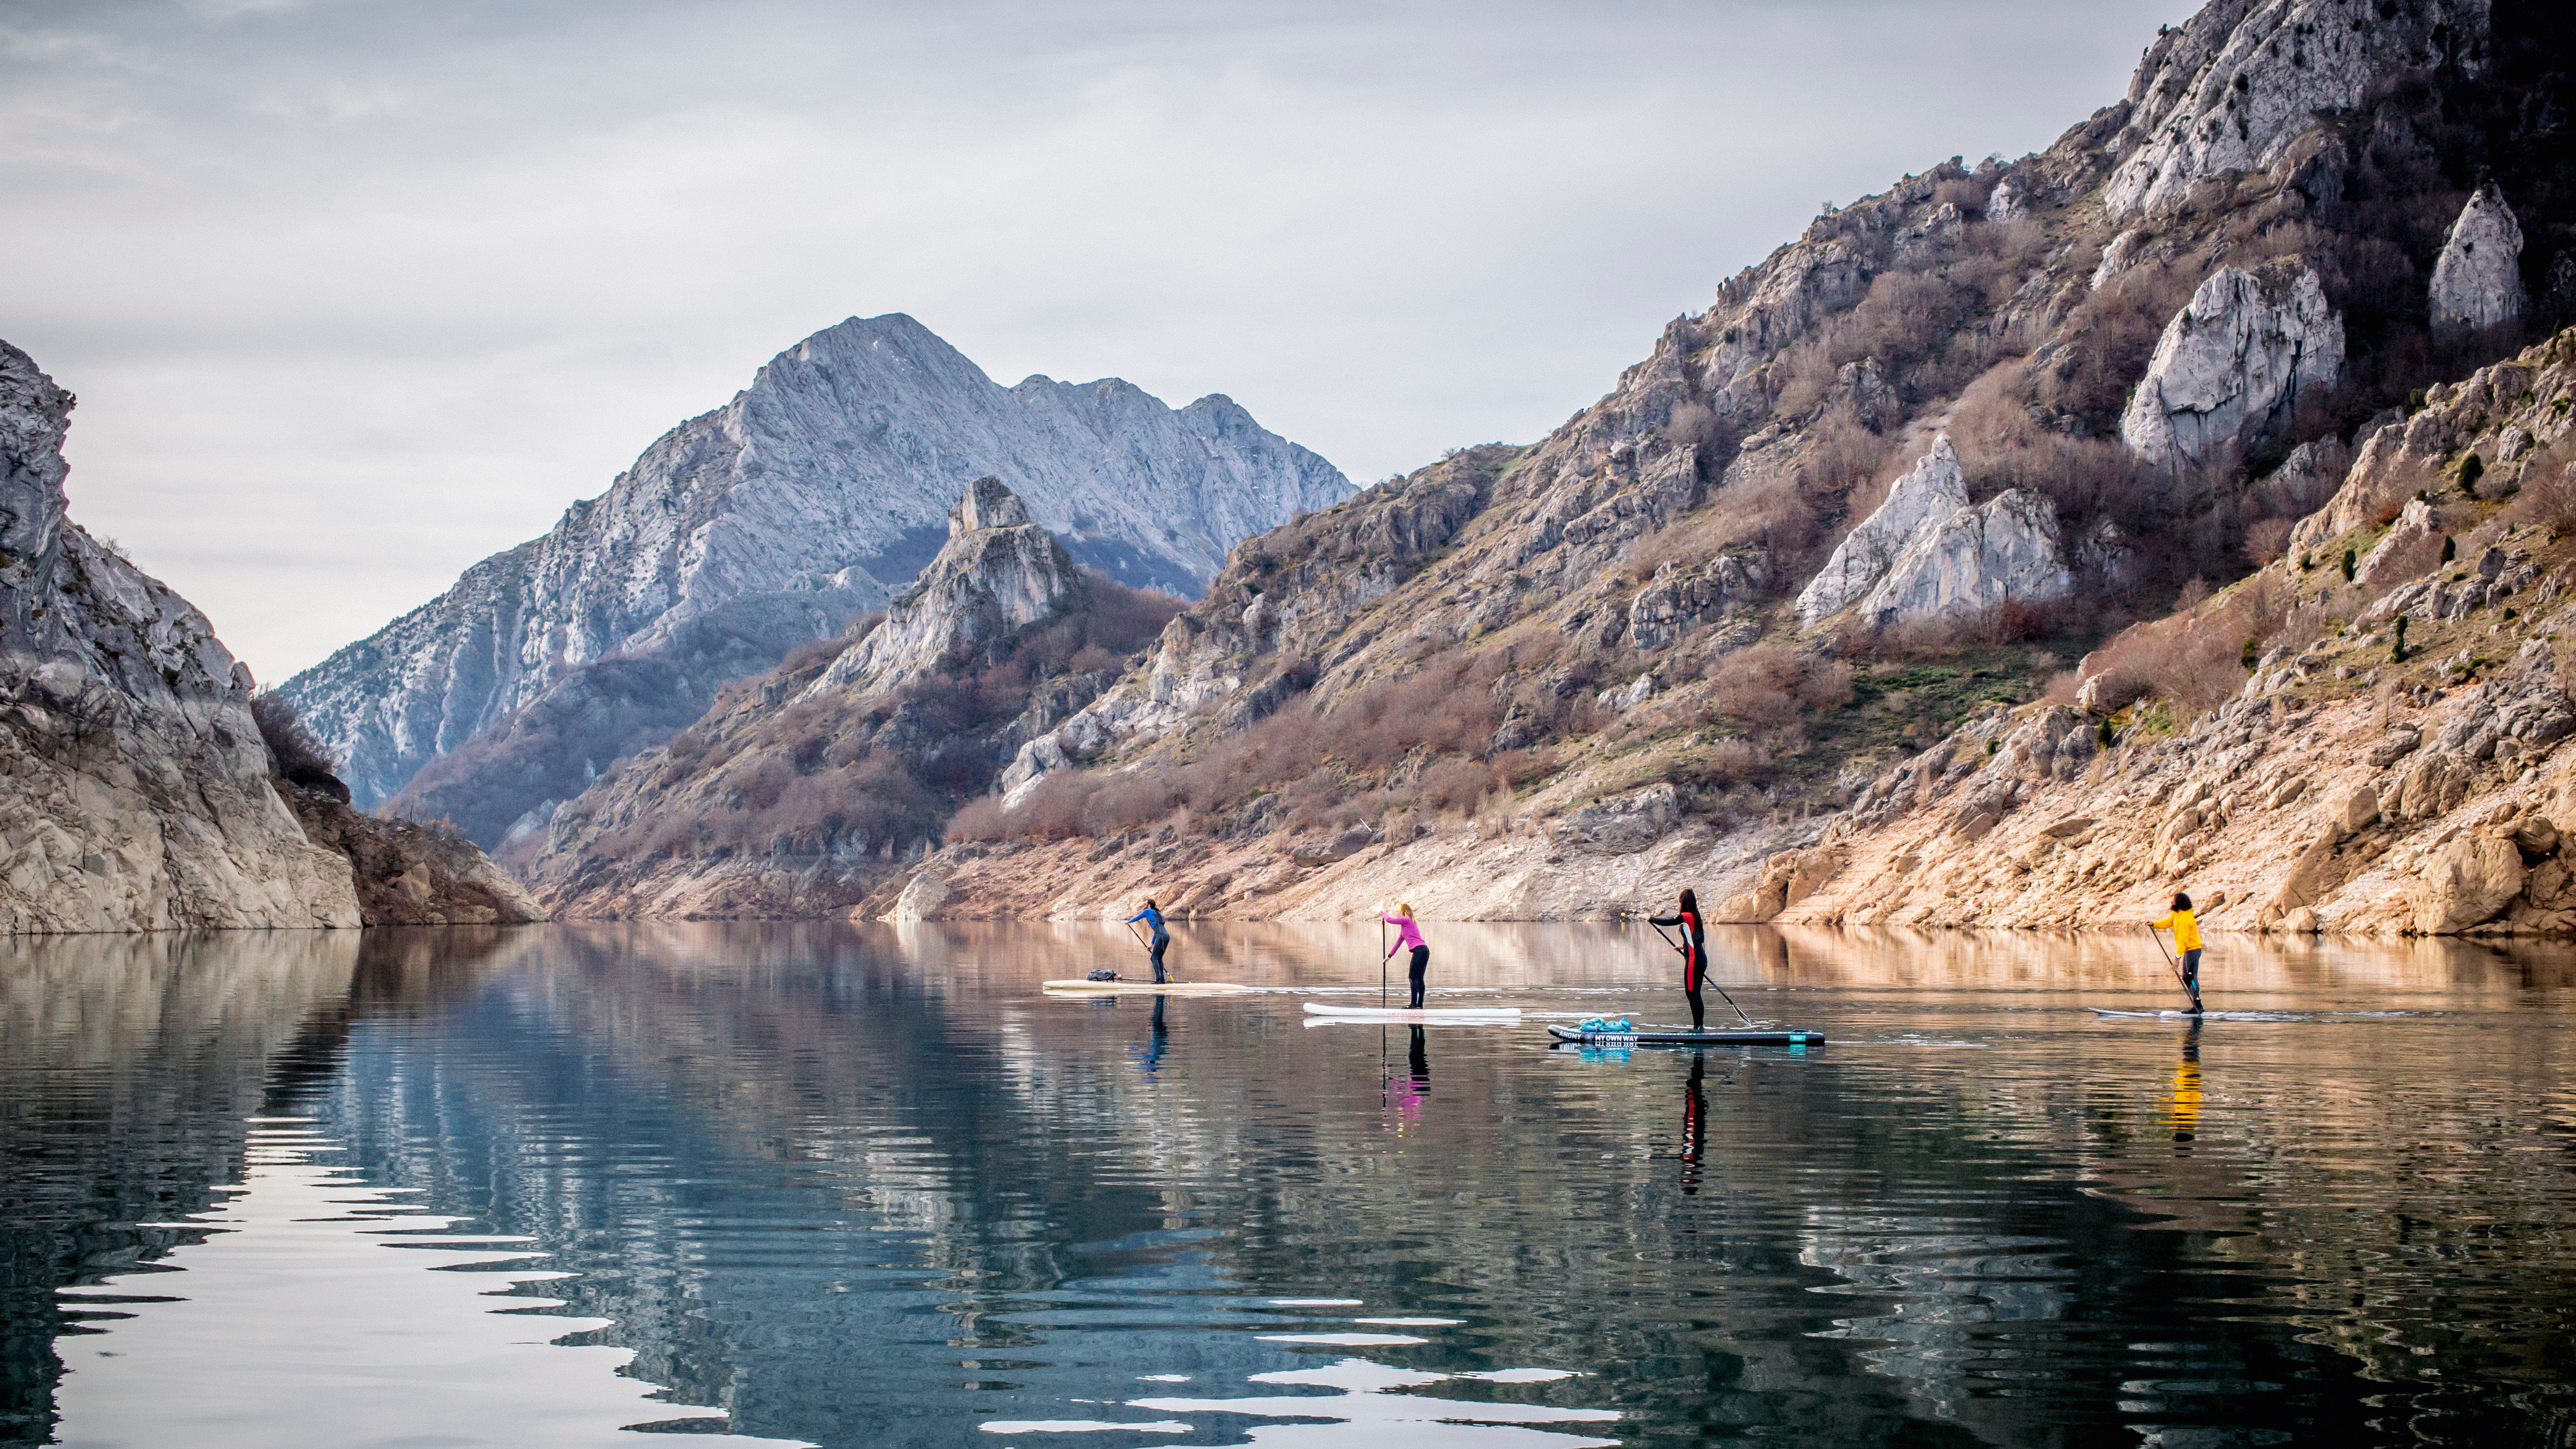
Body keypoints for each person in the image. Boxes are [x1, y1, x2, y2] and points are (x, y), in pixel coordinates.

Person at [1649, 889, 1709, 1032]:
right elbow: (1698, 939)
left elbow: (1669, 922)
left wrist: (1650, 918)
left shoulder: (1687, 916)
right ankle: (1700, 1027)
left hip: (1694, 960)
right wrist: (1683, 946)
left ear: (1683, 902)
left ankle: (1697, 1028)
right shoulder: (1695, 915)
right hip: (1701, 958)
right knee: (1696, 993)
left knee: (1691, 993)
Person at [2150, 891, 2204, 1013]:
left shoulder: (2186, 919)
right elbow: (2167, 923)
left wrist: (2177, 959)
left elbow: (2183, 941)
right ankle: (2197, 1004)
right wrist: (2154, 924)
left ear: (2179, 903)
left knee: (2191, 978)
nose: (2171, 902)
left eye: (2173, 901)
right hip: (2188, 950)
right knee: (2186, 978)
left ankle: (2198, 1005)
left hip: (2193, 950)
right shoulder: (2177, 915)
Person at [1382, 903, 1429, 1009]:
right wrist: (1389, 956)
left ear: (1403, 912)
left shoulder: (1406, 920)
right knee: (1419, 978)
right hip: (1424, 951)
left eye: (1398, 911)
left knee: (1413, 977)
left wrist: (1384, 913)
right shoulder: (1405, 928)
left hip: (1420, 950)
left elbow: (1389, 920)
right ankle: (1419, 1006)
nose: (1397, 913)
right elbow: (1398, 944)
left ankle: (1414, 1005)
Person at [1126, 899, 1170, 983]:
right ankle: (1162, 980)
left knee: (1154, 958)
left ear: (1149, 905)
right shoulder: (1158, 913)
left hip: (1161, 936)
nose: (1144, 905)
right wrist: (1152, 945)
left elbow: (1137, 917)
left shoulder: (1147, 911)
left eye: (1145, 904)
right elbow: (1156, 931)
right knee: (1159, 959)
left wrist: (1128, 922)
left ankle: (1158, 980)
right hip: (1166, 936)